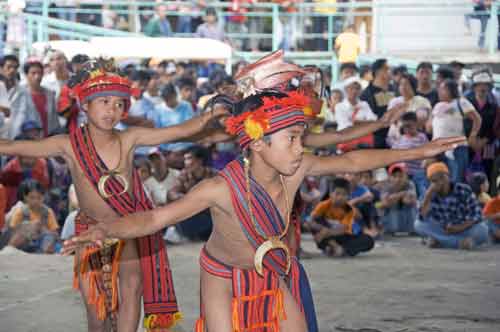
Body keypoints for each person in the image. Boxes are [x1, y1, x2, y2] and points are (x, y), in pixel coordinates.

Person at [64, 89, 464, 332]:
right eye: (291, 138)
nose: (299, 147)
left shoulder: (299, 166)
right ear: (256, 143)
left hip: (268, 272)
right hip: (220, 277)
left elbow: (355, 161)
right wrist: (106, 230)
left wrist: (419, 150)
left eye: (300, 138)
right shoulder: (218, 187)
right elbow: (155, 219)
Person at [0, 60, 227, 332]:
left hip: (126, 229)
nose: (112, 109)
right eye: (104, 101)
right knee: (97, 313)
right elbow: (15, 146)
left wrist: (206, 118)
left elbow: (176, 131)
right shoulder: (68, 144)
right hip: (90, 231)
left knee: (132, 291)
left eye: (119, 104)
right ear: (85, 104)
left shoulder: (129, 138)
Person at [415, 162, 489, 249]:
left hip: (463, 229)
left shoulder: (463, 189)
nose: (437, 183)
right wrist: (428, 195)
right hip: (443, 230)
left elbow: (477, 215)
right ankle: (459, 243)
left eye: (439, 179)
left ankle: (441, 242)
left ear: (447, 177)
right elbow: (422, 217)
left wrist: (459, 228)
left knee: (483, 230)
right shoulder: (430, 193)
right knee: (418, 225)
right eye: (432, 181)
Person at [427, 79, 482, 183]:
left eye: (442, 88)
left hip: (457, 148)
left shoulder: (461, 102)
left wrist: (473, 136)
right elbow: (429, 128)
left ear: (450, 90)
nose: (439, 91)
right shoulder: (437, 106)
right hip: (438, 149)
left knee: (456, 180)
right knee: (439, 181)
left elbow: (477, 119)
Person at [310, 177, 375, 257]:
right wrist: (322, 229)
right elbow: (310, 222)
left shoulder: (349, 209)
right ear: (331, 194)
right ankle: (333, 246)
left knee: (369, 240)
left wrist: (327, 232)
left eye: (344, 194)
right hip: (326, 236)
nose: (340, 197)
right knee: (316, 225)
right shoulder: (323, 205)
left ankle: (340, 249)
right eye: (337, 193)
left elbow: (343, 230)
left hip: (341, 235)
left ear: (348, 196)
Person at [9, 60, 60, 139]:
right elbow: (15, 119)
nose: (37, 76)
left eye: (40, 73)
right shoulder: (18, 93)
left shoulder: (49, 94)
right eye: (33, 73)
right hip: (26, 140)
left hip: (47, 138)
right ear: (26, 75)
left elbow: (54, 120)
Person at [6, 179, 59, 254]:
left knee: (50, 237)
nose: (35, 201)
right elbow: (13, 230)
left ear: (43, 197)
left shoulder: (48, 212)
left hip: (41, 244)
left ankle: (44, 254)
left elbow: (54, 232)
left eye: (39, 198)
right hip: (22, 244)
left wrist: (43, 229)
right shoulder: (21, 211)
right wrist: (29, 227)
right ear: (25, 197)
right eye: (32, 197)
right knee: (28, 226)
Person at [360, 58, 395, 148]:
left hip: (395, 136)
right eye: (387, 69)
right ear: (378, 72)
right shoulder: (367, 94)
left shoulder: (394, 89)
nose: (390, 71)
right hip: (377, 139)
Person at [379, 163, 418, 235]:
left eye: (401, 176)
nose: (397, 179)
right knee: (386, 205)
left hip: (407, 220)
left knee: (409, 203)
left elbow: (408, 201)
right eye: (394, 176)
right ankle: (390, 228)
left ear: (406, 176)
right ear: (390, 177)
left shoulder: (410, 184)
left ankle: (411, 228)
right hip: (392, 221)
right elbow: (384, 203)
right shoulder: (386, 185)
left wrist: (393, 197)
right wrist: (400, 194)